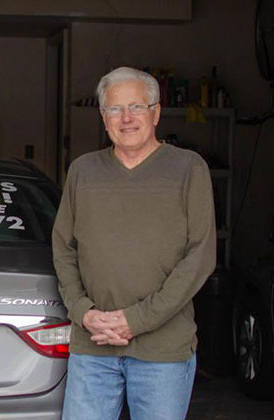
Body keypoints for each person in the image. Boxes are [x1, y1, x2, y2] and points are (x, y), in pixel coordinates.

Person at [52, 66, 216, 420]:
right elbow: (63, 247)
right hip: (93, 346)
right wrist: (83, 312)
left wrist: (137, 320)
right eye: (115, 109)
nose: (126, 118)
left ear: (155, 113)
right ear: (103, 117)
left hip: (162, 351)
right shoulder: (82, 170)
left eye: (136, 107)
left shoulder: (189, 168)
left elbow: (200, 256)